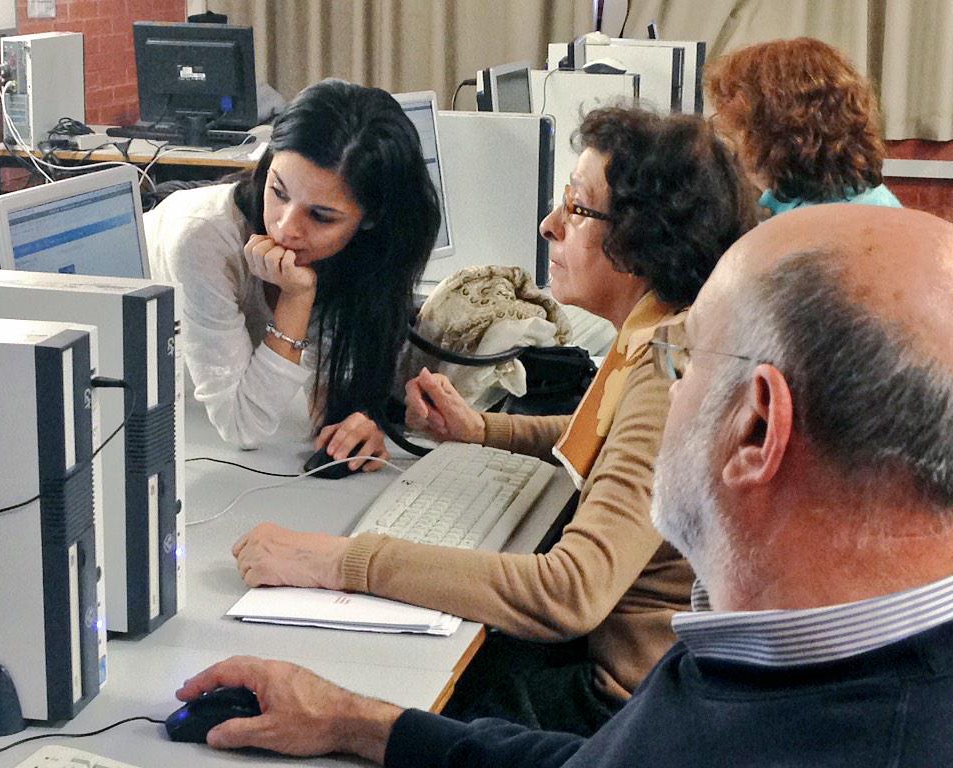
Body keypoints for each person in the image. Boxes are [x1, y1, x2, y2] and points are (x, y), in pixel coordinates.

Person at [175, 203, 953, 767]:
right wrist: (353, 719)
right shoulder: (800, 655)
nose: (657, 397)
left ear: (755, 431)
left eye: (682, 365)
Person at [229, 106, 758, 734]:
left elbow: (568, 592)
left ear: (644, 238)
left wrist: (339, 562)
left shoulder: (665, 373)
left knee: (367, 689)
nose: (549, 224)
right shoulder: (665, 326)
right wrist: (483, 432)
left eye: (578, 210)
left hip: (617, 707)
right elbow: (609, 444)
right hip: (646, 678)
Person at [145, 79, 441, 464]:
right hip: (150, 418)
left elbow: (331, 396)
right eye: (278, 191)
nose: (285, 228)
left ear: (370, 221)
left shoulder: (363, 255)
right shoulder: (202, 238)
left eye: (320, 216)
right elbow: (242, 426)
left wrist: (359, 424)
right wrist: (297, 298)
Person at [704, 37, 902, 215]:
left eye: (740, 128)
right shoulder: (862, 200)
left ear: (776, 130)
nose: (730, 142)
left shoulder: (838, 219)